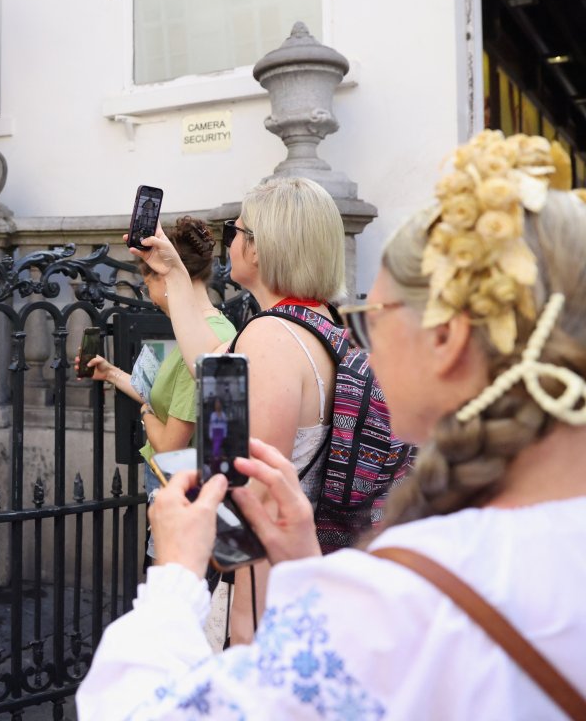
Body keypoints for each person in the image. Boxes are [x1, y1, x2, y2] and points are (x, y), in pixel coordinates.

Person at [77, 131, 586, 719]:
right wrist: (302, 564)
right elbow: (213, 365)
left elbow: (137, 709)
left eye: (374, 314)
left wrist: (176, 575)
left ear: (447, 339)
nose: (361, 344)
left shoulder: (405, 599)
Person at [136, 178, 346, 642]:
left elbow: (260, 498)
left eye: (237, 229)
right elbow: (209, 360)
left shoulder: (270, 337)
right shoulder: (314, 319)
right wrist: (173, 272)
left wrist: (245, 630)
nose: (230, 239)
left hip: (265, 588)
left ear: (258, 247)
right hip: (293, 571)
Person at [79, 217, 236, 559]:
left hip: (183, 499)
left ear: (162, 278)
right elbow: (172, 402)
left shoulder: (198, 347)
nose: (147, 293)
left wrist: (146, 413)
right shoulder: (214, 329)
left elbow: (168, 445)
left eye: (146, 280)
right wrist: (111, 374)